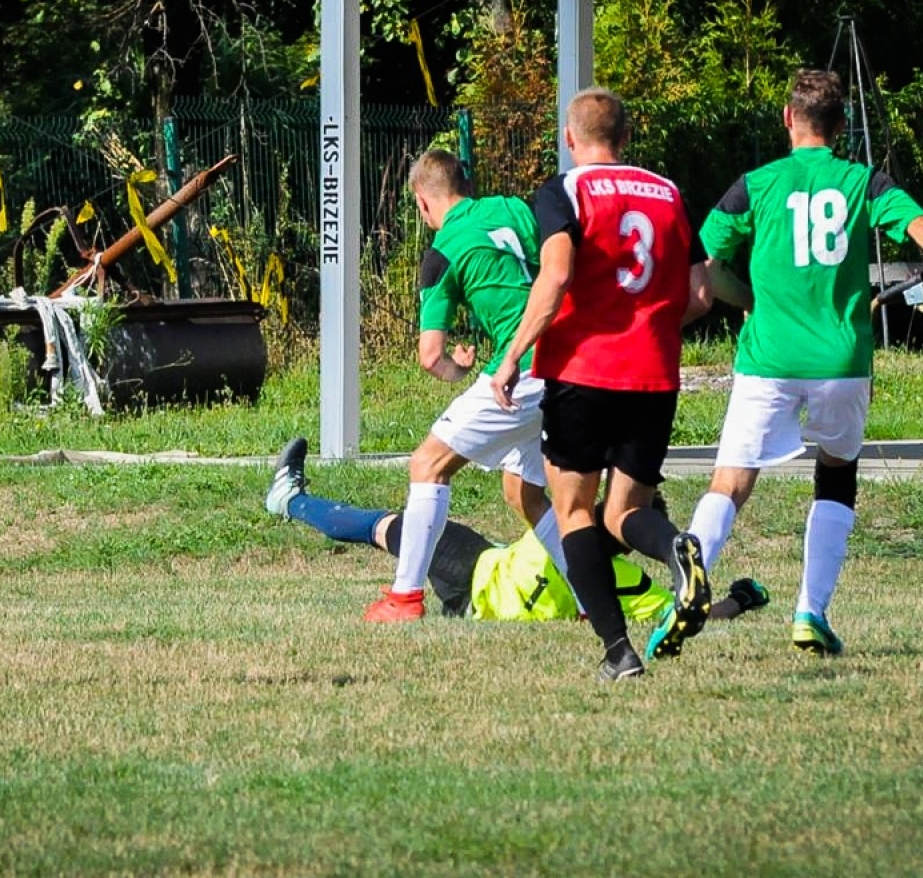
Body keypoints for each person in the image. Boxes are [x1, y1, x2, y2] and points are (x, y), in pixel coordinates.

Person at [690, 67, 923, 656]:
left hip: (768, 360)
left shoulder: (754, 184)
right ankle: (810, 612)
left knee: (730, 482)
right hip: (841, 361)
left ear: (788, 119)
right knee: (836, 476)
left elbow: (703, 267)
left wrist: (747, 297)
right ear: (841, 128)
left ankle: (688, 585)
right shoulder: (865, 182)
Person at [493, 88, 714, 681]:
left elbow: (557, 274)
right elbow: (700, 294)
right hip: (654, 374)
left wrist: (514, 353)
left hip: (583, 372)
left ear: (570, 138)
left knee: (574, 511)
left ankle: (618, 651)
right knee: (628, 510)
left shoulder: (563, 190)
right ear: (626, 136)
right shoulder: (668, 193)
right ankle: (675, 549)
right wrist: (648, 320)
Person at [336, 149, 568, 624]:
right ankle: (588, 601)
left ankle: (403, 599)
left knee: (428, 464)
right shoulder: (512, 207)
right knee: (522, 491)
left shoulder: (441, 252)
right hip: (571, 361)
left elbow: (429, 357)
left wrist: (456, 370)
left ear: (422, 203)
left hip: (521, 370)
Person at [265, 437, 769, 623]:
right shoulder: (628, 583)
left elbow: (521, 492)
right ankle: (290, 498)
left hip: (474, 574)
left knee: (385, 526)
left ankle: (292, 499)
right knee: (389, 527)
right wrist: (742, 599)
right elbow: (694, 607)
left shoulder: (564, 524)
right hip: (482, 568)